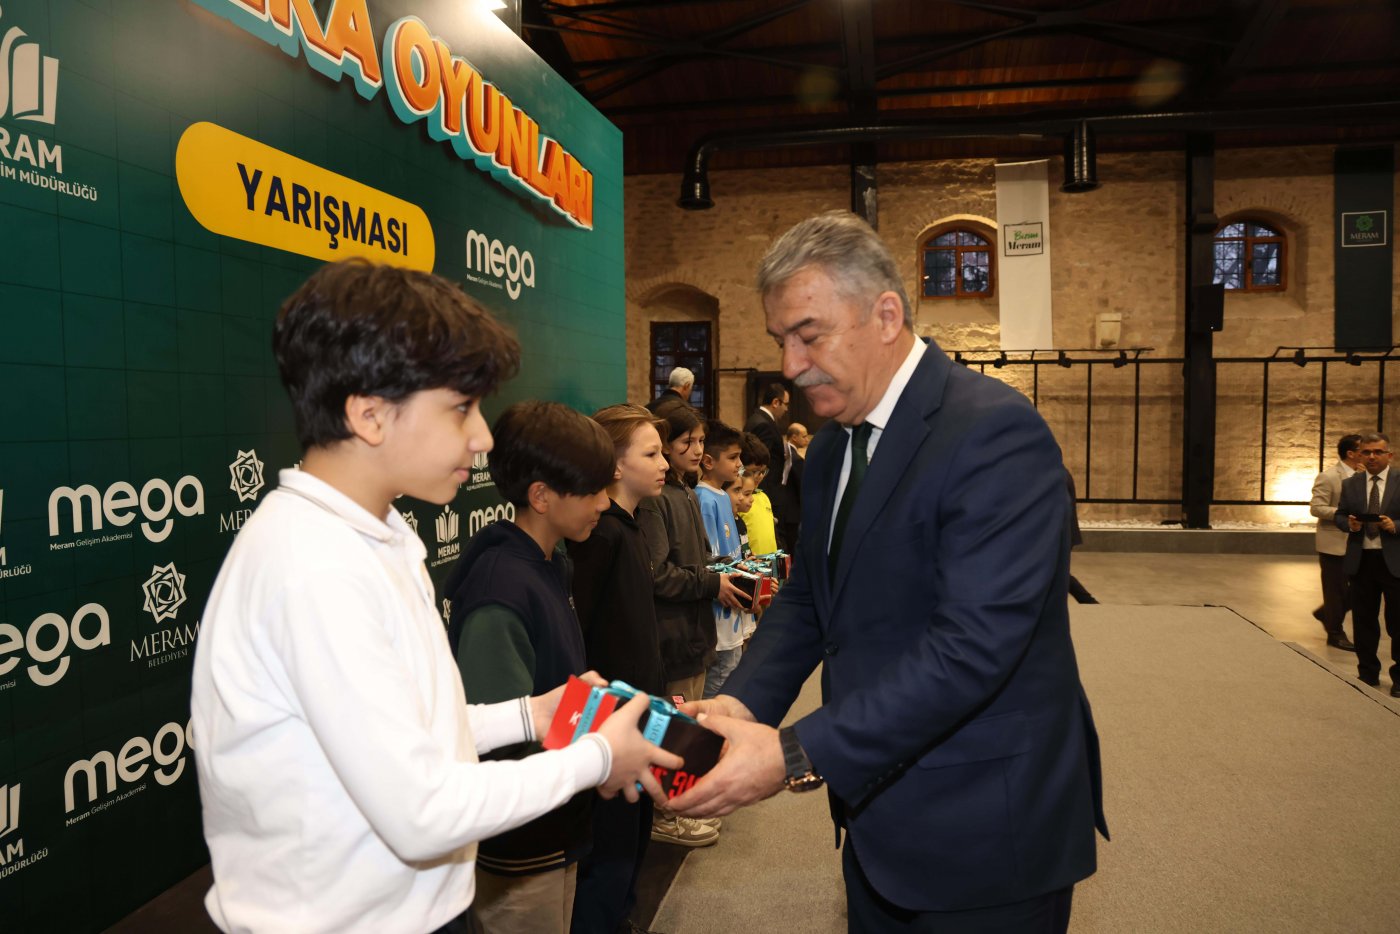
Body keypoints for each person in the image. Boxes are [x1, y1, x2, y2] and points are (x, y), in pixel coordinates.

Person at [190, 259, 679, 934]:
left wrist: (533, 715)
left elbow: (415, 735)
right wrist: (596, 758)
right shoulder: (314, 566)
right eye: (460, 409)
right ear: (368, 414)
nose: (481, 437)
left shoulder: (376, 538)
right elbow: (422, 809)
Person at [670, 211, 1107, 933]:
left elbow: (974, 646)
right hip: (878, 818)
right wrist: (741, 704)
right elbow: (811, 598)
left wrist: (794, 753)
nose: (790, 365)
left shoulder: (995, 431)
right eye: (781, 340)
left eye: (809, 334)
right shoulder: (833, 447)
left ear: (885, 316)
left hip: (986, 830)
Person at [445, 401, 615, 934]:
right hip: (520, 845)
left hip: (558, 820)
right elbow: (499, 738)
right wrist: (599, 752)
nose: (605, 503)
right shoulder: (501, 590)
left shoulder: (548, 562)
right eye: (593, 490)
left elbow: (549, 699)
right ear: (541, 496)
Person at [566, 404, 672, 934]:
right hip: (605, 721)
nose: (665, 464)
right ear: (614, 465)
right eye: (651, 454)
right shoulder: (600, 536)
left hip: (638, 712)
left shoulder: (631, 529)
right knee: (609, 850)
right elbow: (581, 636)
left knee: (635, 839)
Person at [636, 401, 746, 848]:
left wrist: (727, 573)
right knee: (671, 721)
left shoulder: (685, 492)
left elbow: (698, 560)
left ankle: (681, 801)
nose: (698, 450)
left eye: (701, 441)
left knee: (688, 721)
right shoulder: (656, 501)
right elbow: (658, 574)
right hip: (673, 635)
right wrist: (709, 581)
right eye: (687, 441)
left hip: (695, 632)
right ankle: (666, 814)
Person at [1335, 432, 1400, 695]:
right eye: (1366, 452)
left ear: (1389, 455)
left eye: (1378, 452)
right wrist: (1348, 524)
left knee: (1398, 623)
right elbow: (1340, 514)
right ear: (1359, 455)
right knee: (1363, 621)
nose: (1372, 456)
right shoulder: (1351, 484)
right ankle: (1367, 673)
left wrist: (1395, 525)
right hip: (1361, 560)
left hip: (1394, 562)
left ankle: (1399, 679)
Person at [693, 419, 753, 699]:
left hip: (732, 610)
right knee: (718, 686)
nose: (739, 464)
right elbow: (710, 558)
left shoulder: (721, 496)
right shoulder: (704, 499)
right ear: (708, 461)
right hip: (718, 612)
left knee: (731, 675)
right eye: (733, 457)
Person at [1311, 433, 1362, 650]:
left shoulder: (1365, 476)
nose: (1369, 455)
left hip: (1361, 542)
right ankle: (1335, 632)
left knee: (1363, 587)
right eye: (1363, 451)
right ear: (1351, 453)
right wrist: (1343, 514)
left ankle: (1327, 613)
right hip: (1334, 541)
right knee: (1336, 590)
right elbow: (1316, 508)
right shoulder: (1329, 476)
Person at [745, 383, 797, 548]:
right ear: (776, 402)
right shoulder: (763, 424)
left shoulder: (760, 419)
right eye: (785, 404)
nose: (786, 409)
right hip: (766, 492)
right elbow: (758, 462)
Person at [737, 432, 779, 556]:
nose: (759, 476)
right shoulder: (737, 499)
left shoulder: (763, 497)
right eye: (754, 471)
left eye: (763, 471)